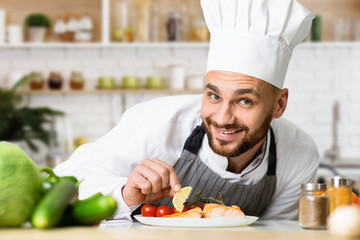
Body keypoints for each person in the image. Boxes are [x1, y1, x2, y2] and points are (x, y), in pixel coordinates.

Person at [54, 0, 319, 220]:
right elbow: (64, 181)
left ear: (279, 105)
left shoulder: (298, 154)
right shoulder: (156, 124)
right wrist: (124, 194)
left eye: (245, 101)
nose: (223, 118)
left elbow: (274, 233)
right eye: (214, 95)